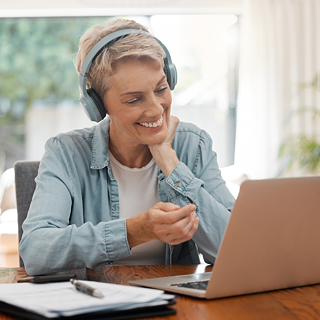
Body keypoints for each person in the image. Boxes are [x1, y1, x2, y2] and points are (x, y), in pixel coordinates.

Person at [19, 18, 235, 275]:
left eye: (161, 88)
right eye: (134, 100)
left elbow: (237, 249)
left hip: (176, 305)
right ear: (98, 106)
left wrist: (170, 162)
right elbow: (36, 252)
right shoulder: (65, 153)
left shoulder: (193, 144)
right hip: (97, 304)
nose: (156, 109)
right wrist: (135, 231)